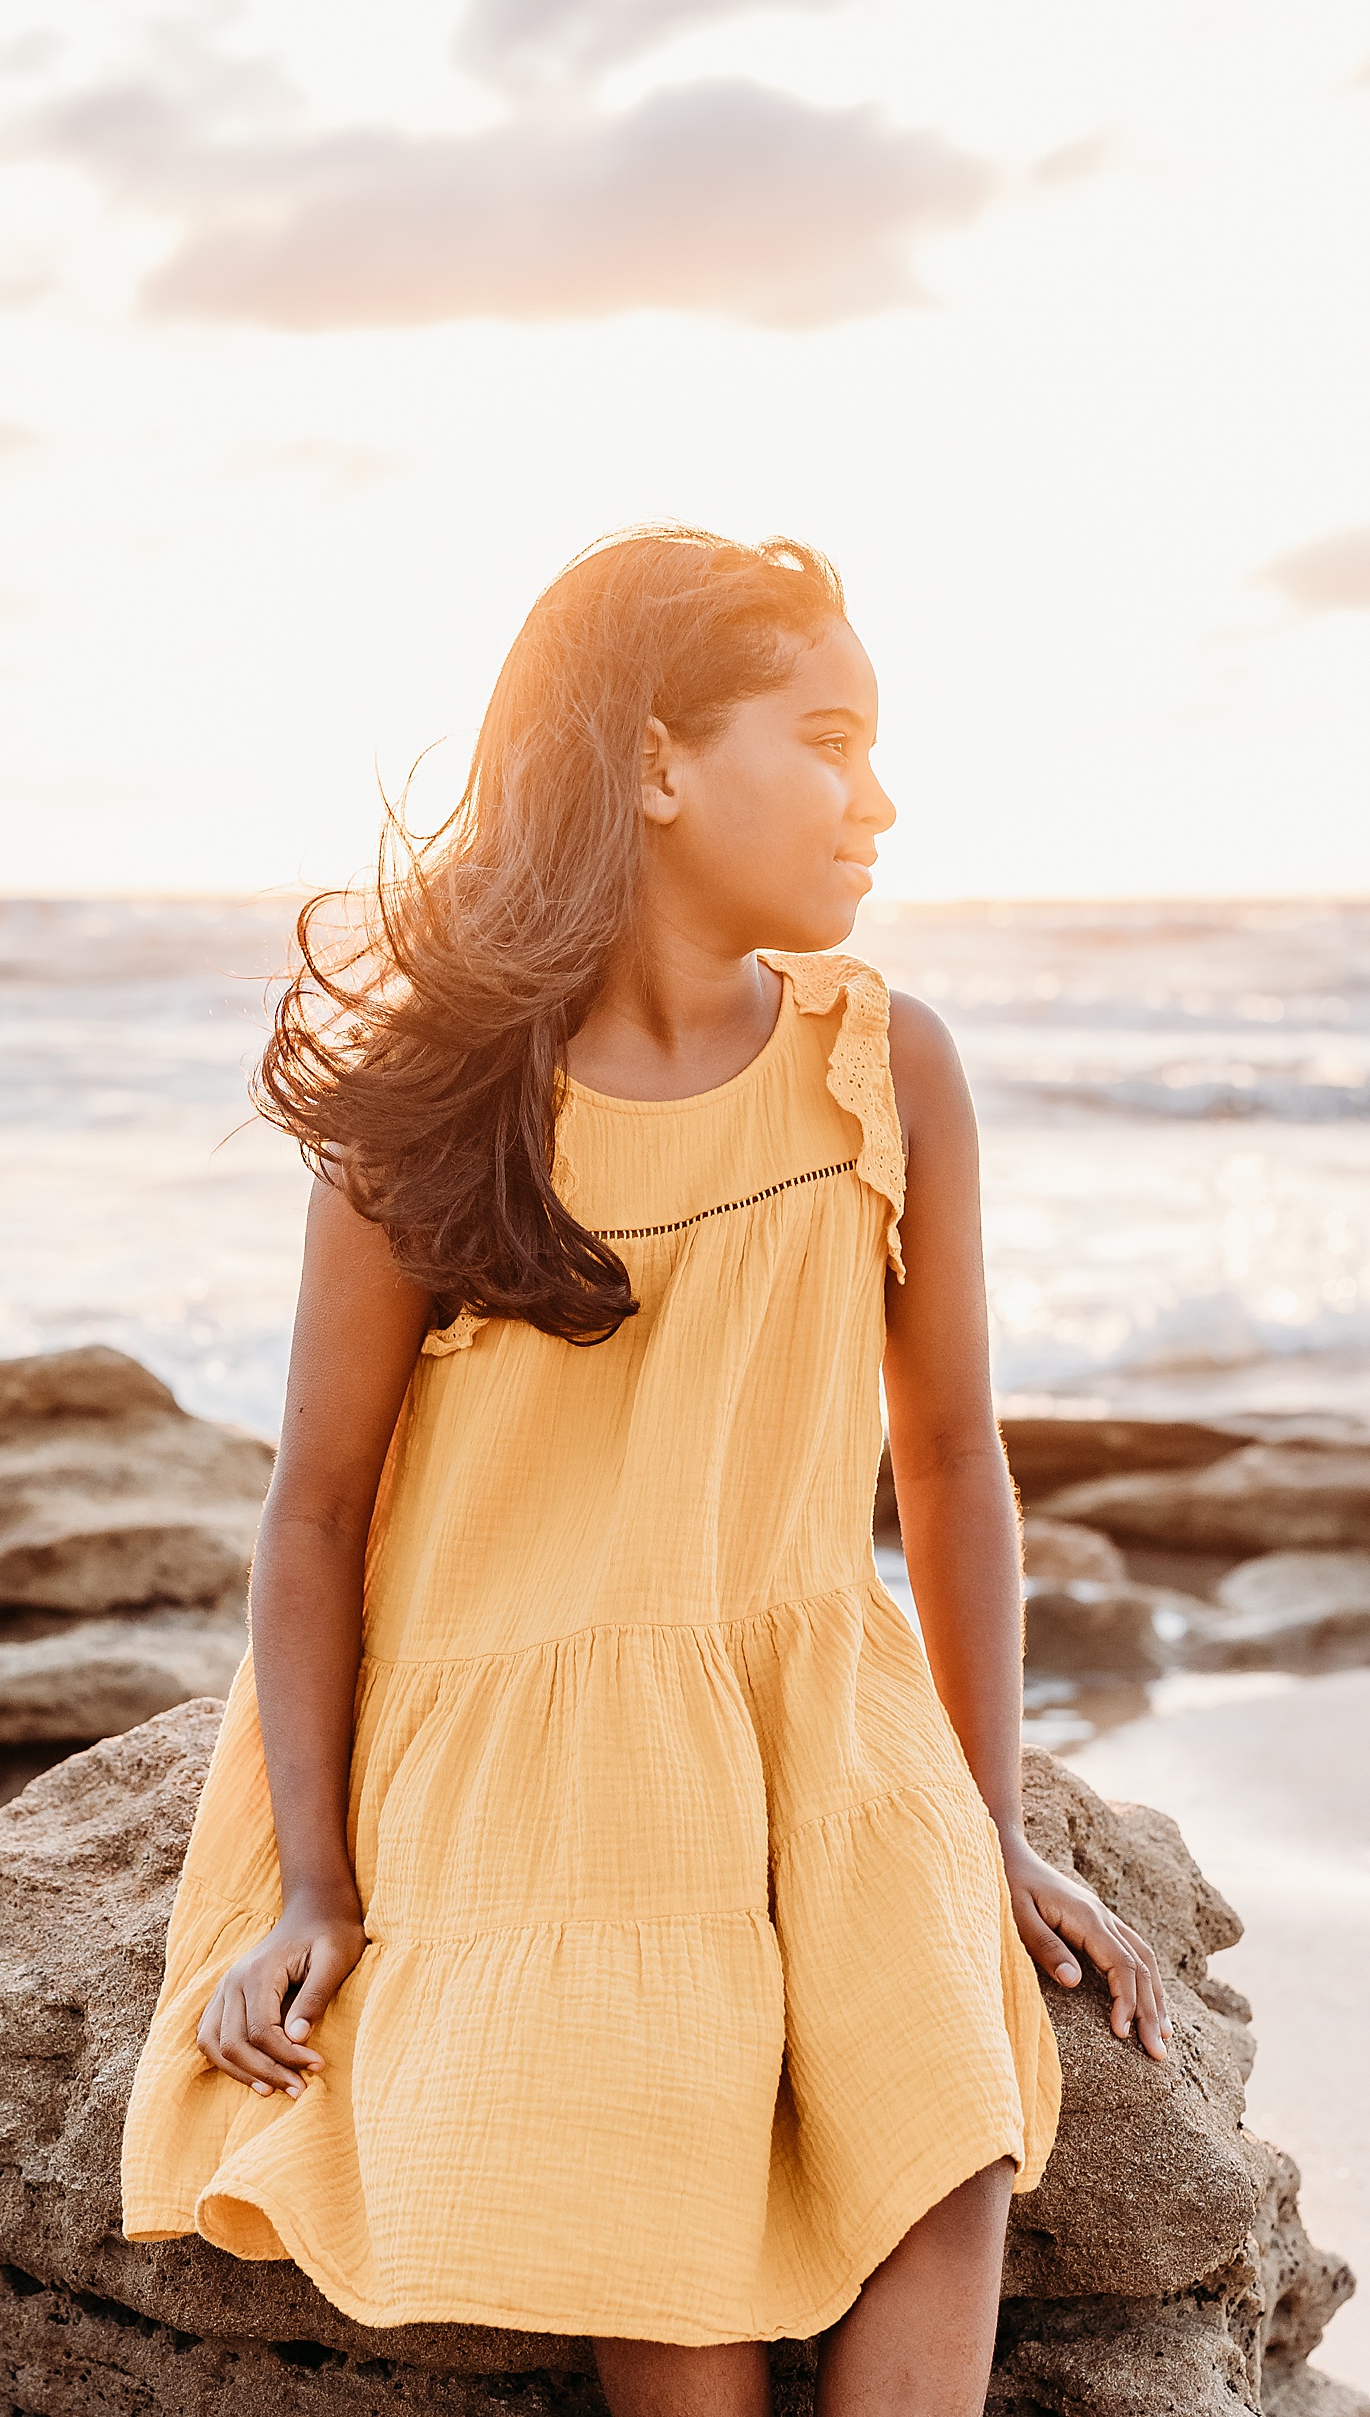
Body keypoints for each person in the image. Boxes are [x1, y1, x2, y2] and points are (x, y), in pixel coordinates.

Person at [121, 527, 1169, 2416]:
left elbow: (947, 1457)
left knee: (953, 2111)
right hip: (537, 1752)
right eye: (830, 740)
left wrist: (986, 1819)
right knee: (659, 2190)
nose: (881, 802)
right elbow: (317, 1509)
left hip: (812, 1706)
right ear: (657, 762)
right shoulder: (441, 1105)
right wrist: (312, 1886)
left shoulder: (884, 1060)